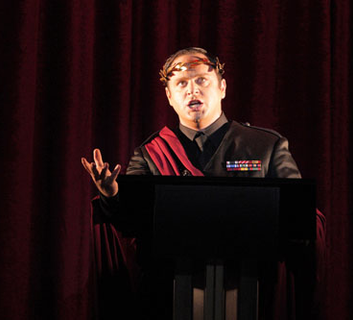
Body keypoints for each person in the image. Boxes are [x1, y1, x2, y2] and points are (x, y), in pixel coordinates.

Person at [82, 47, 325, 319]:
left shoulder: (267, 145)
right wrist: (111, 195)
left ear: (222, 87)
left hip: (252, 293)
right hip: (170, 297)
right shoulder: (150, 154)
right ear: (169, 97)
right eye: (181, 83)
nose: (192, 90)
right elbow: (129, 224)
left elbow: (300, 218)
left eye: (201, 80)